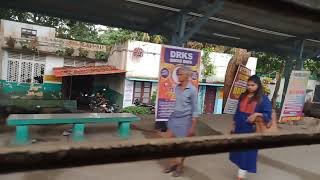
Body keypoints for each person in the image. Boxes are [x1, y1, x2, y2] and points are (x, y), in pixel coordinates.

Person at [229, 75, 272, 180]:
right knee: (238, 151)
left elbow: (268, 115)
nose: (250, 87)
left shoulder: (263, 98)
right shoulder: (243, 96)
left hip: (251, 129)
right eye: (248, 85)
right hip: (239, 127)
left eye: (253, 85)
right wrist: (234, 125)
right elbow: (237, 112)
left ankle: (240, 176)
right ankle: (241, 172)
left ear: (258, 85)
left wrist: (257, 114)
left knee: (246, 153)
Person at [162, 65, 198, 177]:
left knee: (182, 145)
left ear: (187, 76)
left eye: (180, 74)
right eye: (177, 74)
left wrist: (192, 126)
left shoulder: (192, 90)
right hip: (174, 118)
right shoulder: (177, 88)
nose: (178, 76)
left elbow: (195, 109)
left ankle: (179, 167)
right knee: (169, 142)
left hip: (185, 120)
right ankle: (173, 163)